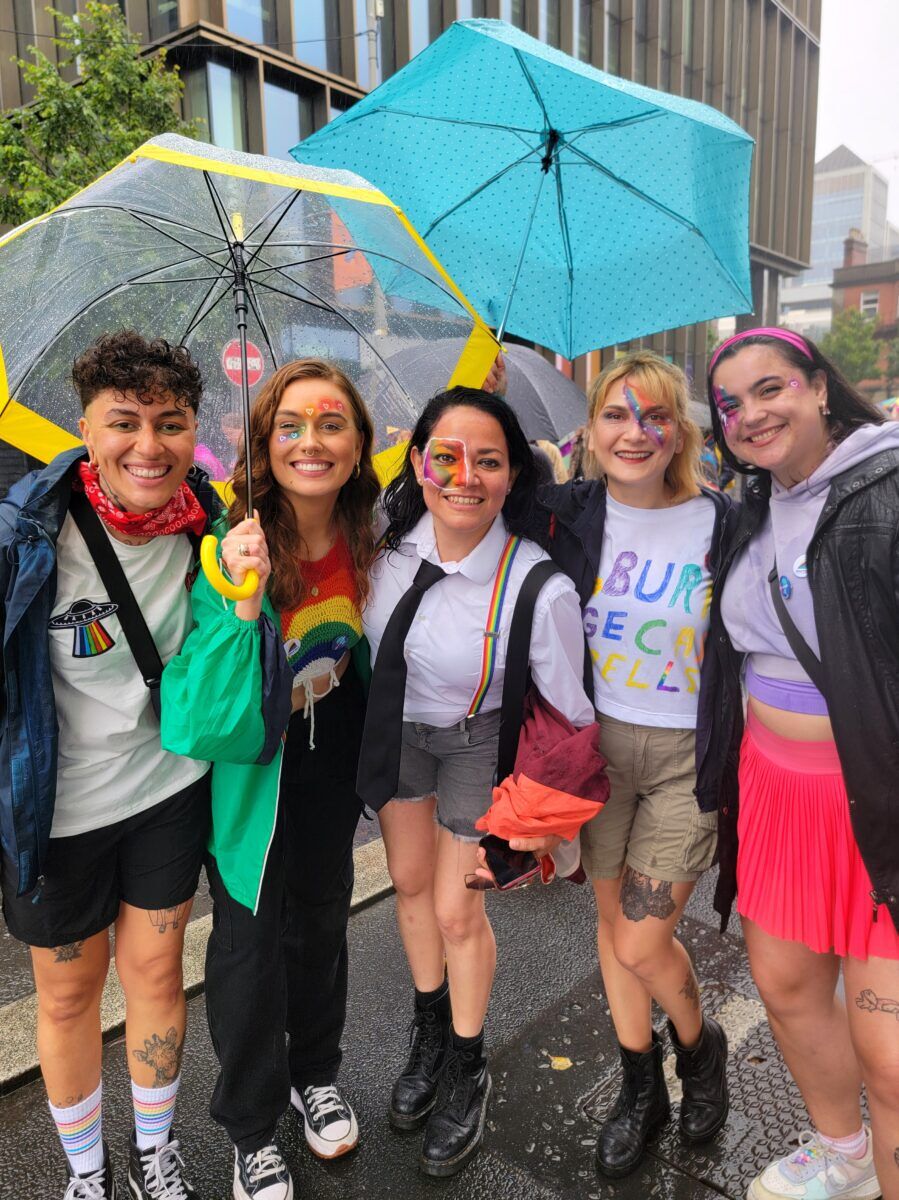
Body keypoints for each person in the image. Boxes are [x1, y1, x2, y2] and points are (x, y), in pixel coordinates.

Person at [0, 330, 219, 1200]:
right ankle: (86, 1173)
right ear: (85, 427)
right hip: (54, 809)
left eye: (170, 423)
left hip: (167, 789)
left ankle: (153, 1154)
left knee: (160, 973)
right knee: (66, 1000)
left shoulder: (211, 517)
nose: (148, 445)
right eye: (123, 421)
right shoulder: (26, 535)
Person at [356, 387, 595, 1178]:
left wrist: (551, 826)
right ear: (418, 462)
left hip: (478, 742)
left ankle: (466, 1059)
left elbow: (570, 715)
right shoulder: (382, 551)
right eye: (445, 457)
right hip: (398, 733)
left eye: (487, 460)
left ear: (511, 475)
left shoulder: (538, 585)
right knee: (408, 883)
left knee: (460, 912)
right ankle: (426, 1033)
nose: (464, 476)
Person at [162, 359, 380, 1200]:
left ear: (360, 445)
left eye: (331, 423)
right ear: (263, 442)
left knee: (323, 923)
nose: (310, 441)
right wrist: (243, 600)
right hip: (254, 777)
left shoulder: (371, 537)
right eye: (289, 425)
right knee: (249, 949)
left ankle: (313, 1073)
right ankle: (249, 1127)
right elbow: (205, 716)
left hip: (334, 769)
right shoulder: (229, 544)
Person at [704, 327, 899, 1200]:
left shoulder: (887, 488)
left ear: (820, 388)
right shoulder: (745, 503)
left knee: (889, 1054)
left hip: (878, 803)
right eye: (731, 404)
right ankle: (841, 1152)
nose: (751, 414)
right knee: (784, 985)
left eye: (770, 389)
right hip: (774, 792)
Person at [538, 350, 732, 1178]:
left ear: (678, 430)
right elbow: (448, 498)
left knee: (645, 940)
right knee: (612, 934)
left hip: (688, 755)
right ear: (591, 429)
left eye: (653, 415)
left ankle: (699, 1048)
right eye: (616, 415)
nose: (635, 432)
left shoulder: (724, 520)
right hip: (598, 751)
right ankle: (637, 1085)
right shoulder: (566, 514)